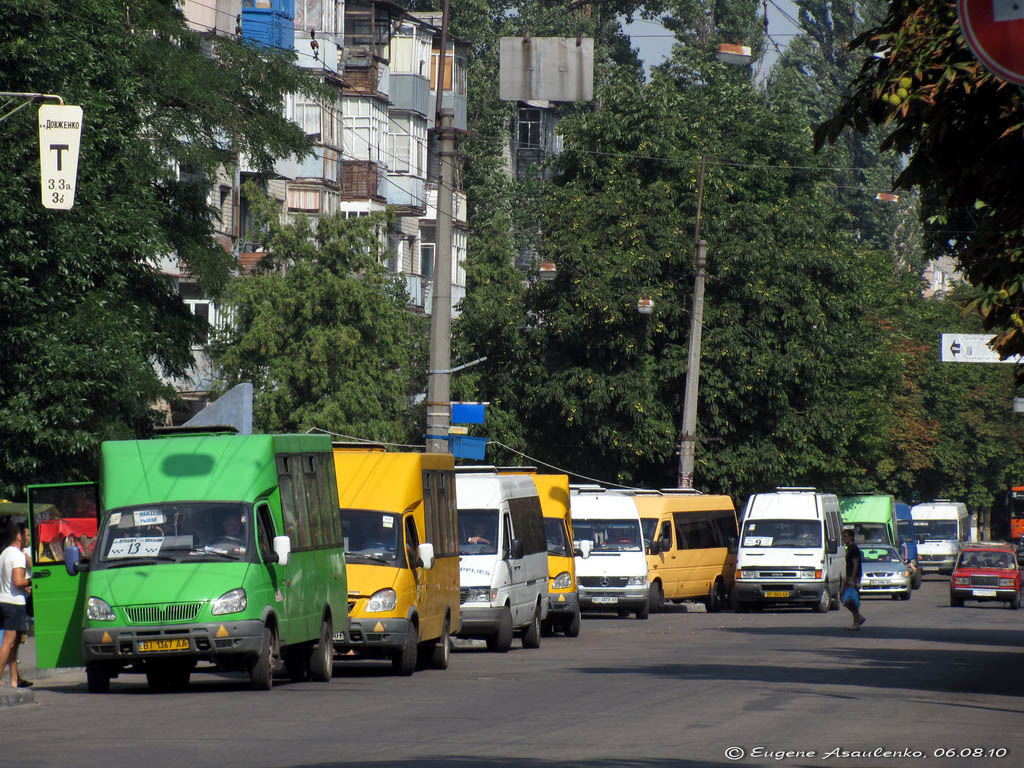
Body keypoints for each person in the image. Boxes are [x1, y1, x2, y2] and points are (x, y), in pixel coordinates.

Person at [0, 521, 33, 688]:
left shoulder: (5, 553)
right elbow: (19, 581)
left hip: (5, 600)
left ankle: (15, 678)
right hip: (14, 603)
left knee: (15, 643)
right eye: (27, 535)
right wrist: (32, 580)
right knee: (9, 641)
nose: (29, 539)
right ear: (19, 536)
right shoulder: (17, 556)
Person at [842, 529, 866, 631]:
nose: (844, 538)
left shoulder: (853, 549)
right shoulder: (849, 548)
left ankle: (856, 622)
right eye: (844, 537)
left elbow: (856, 564)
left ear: (851, 537)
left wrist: (852, 578)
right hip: (849, 577)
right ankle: (858, 618)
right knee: (845, 598)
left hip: (853, 578)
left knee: (851, 600)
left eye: (846, 537)